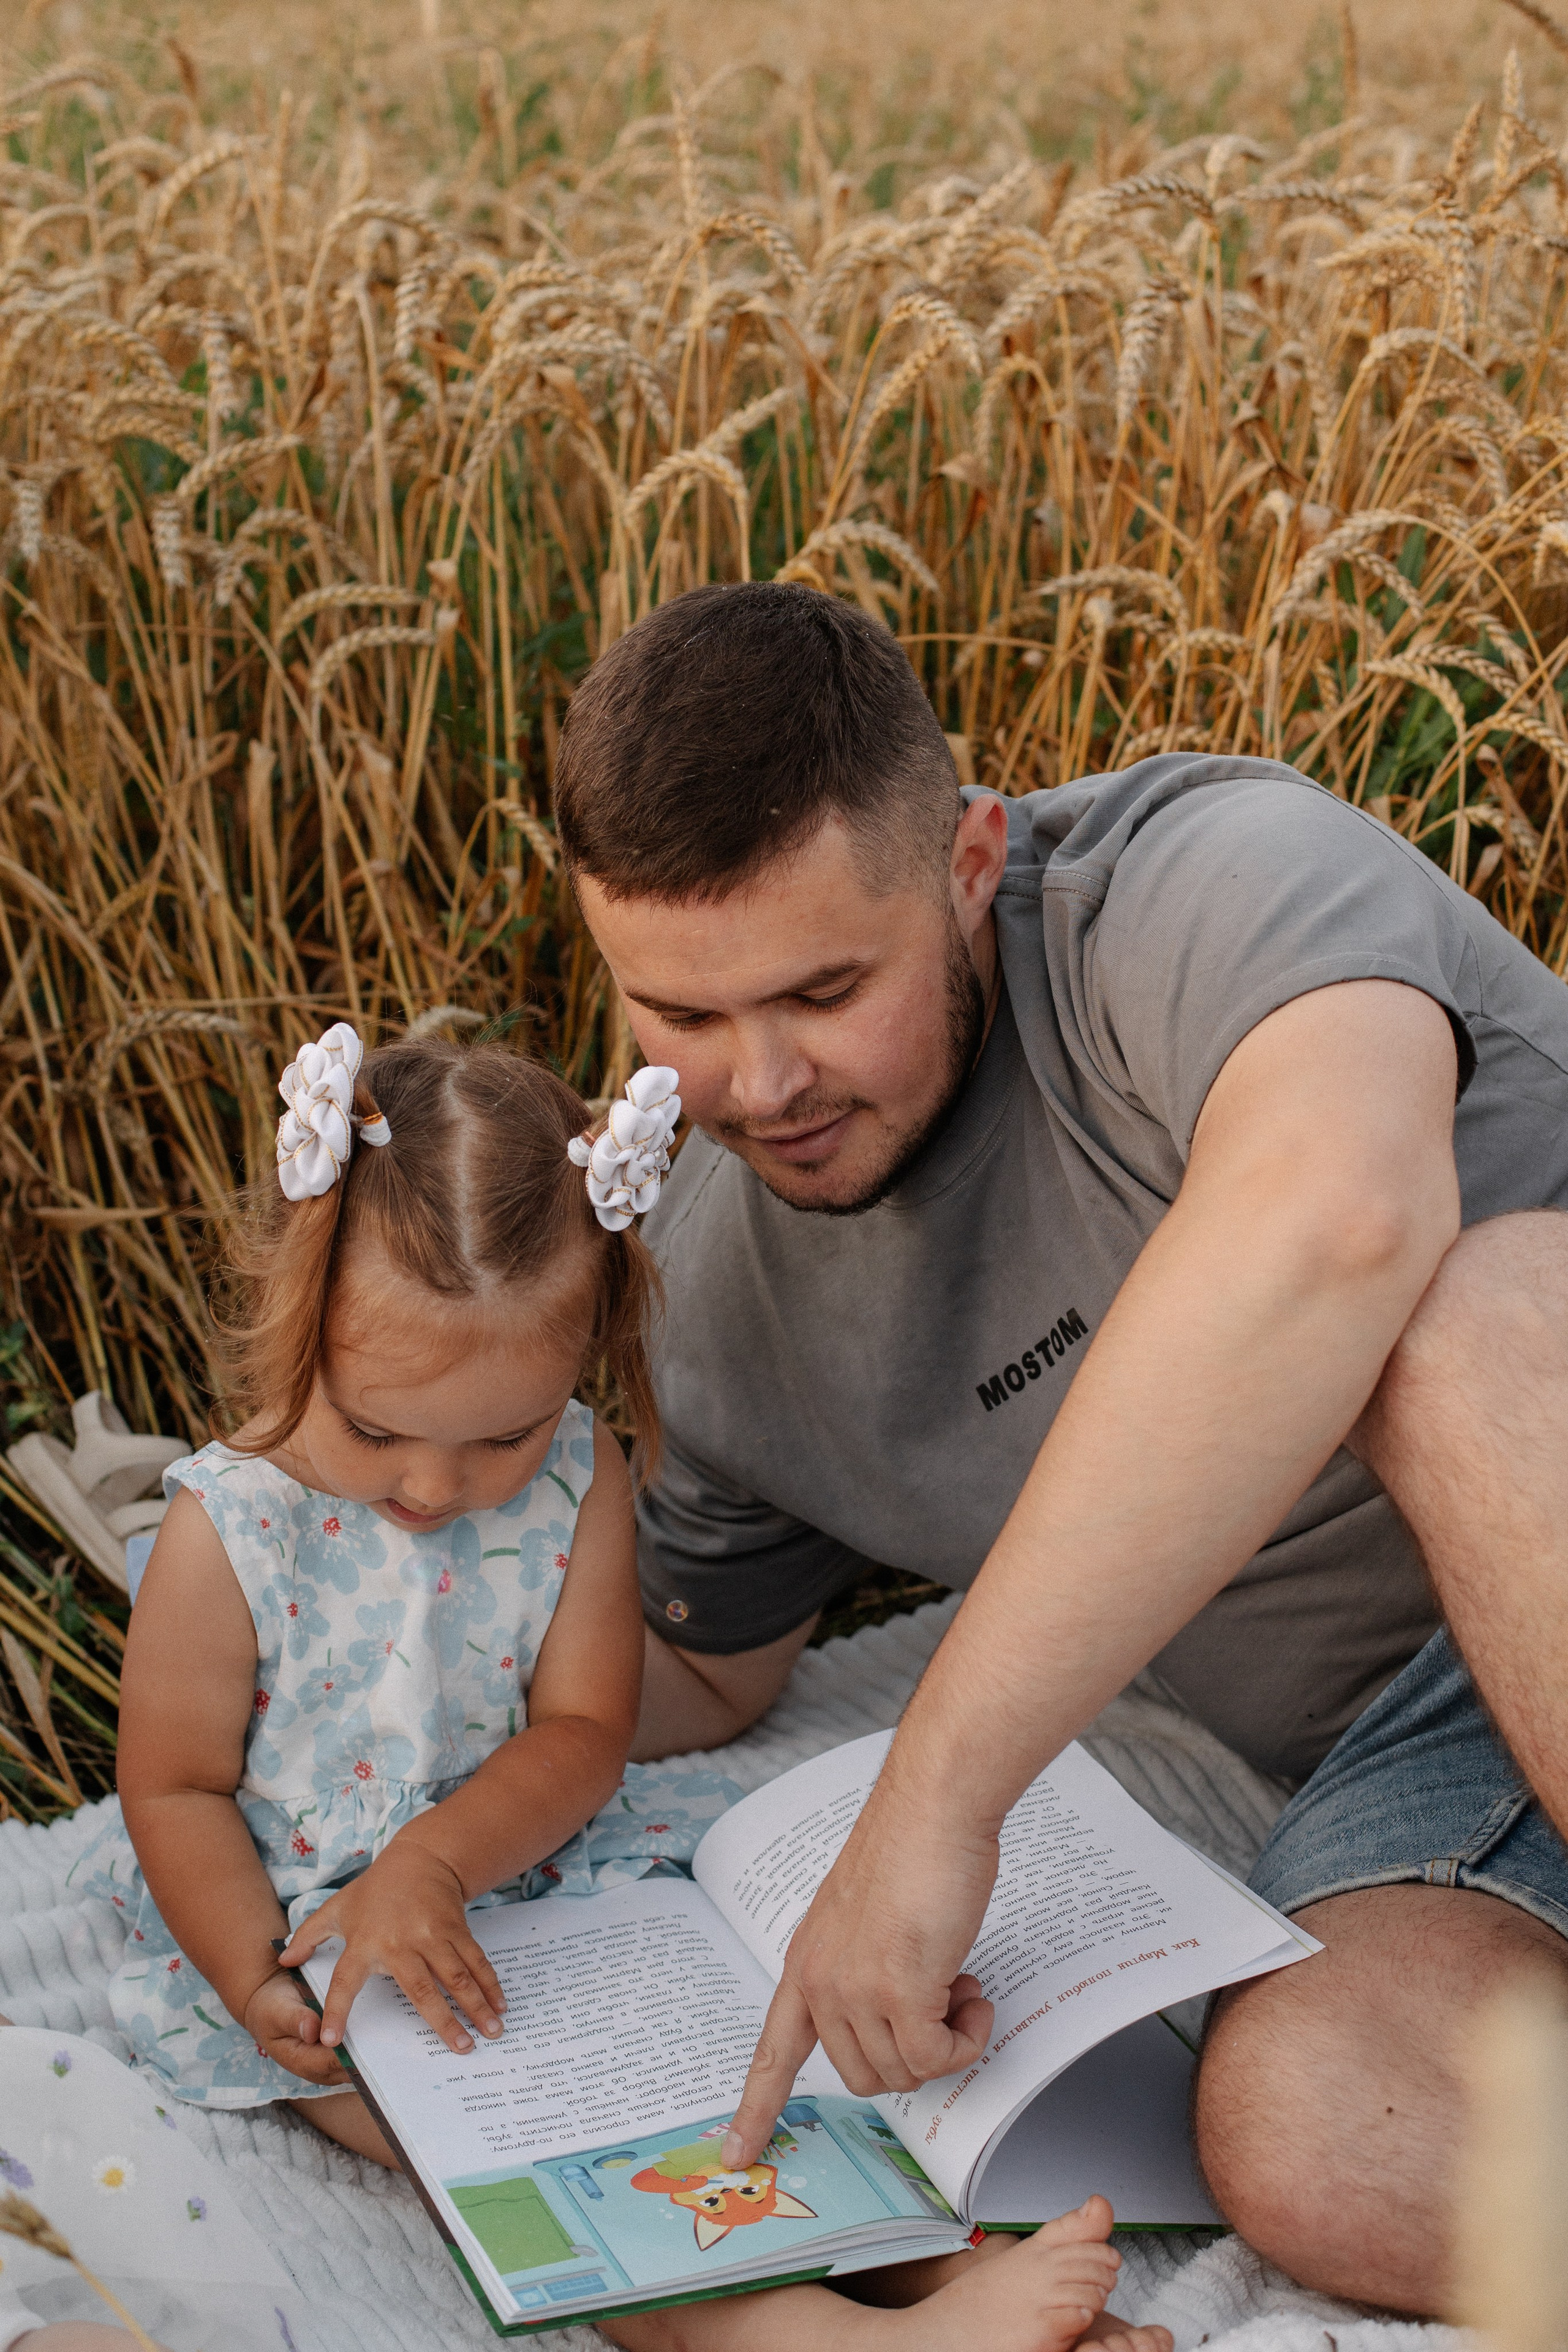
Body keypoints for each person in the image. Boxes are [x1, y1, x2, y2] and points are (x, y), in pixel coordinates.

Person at [554, 578, 1568, 2315]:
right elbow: (689, 1669)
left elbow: (1338, 1220)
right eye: (682, 1017)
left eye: (823, 988)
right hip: (1425, 1774)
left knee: (1481, 1323)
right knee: (1315, 2122)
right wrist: (343, 1640)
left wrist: (935, 1799)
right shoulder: (718, 1292)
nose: (763, 1081)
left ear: (967, 863)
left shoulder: (1201, 883)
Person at [78, 1027, 731, 2162]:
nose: (435, 1485)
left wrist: (434, 1863)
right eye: (375, 1429)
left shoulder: (581, 1478)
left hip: (522, 1860)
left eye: (504, 1435)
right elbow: (177, 1787)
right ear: (298, 1330)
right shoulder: (228, 1528)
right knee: (480, 2146)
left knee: (706, 2068)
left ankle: (924, 2267)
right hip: (304, 1916)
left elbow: (585, 1730)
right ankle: (758, 2325)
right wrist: (250, 1980)